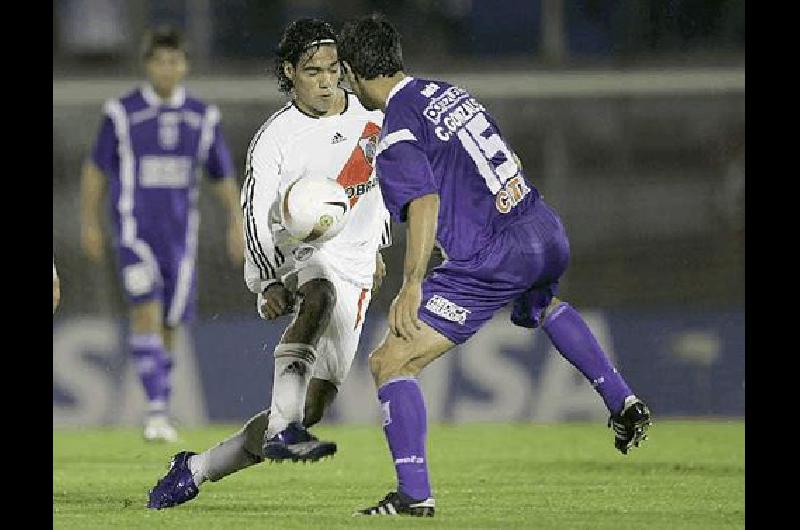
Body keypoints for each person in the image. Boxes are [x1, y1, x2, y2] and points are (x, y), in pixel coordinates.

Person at [338, 14, 652, 517]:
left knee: (390, 362)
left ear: (353, 73)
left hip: (491, 257)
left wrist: (412, 284)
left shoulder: (396, 131)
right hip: (542, 226)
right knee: (543, 305)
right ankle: (623, 400)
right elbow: (502, 157)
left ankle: (414, 496)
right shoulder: (450, 93)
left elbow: (423, 203)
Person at [147, 18, 391, 510]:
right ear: (289, 72)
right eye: (312, 71)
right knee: (318, 292)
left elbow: (391, 184)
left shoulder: (372, 116)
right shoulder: (277, 138)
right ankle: (282, 426)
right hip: (299, 251)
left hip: (359, 266)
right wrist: (265, 280)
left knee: (314, 407)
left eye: (332, 70)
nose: (326, 81)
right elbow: (255, 214)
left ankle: (197, 468)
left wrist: (380, 246)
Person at [80, 26, 244, 443]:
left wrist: (236, 222)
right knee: (146, 310)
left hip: (181, 241)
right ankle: (155, 412)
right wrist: (90, 222)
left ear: (184, 65)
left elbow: (222, 176)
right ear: (148, 65)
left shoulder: (202, 118)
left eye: (174, 60)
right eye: (159, 60)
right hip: (134, 234)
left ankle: (160, 406)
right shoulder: (122, 113)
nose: (167, 68)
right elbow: (96, 170)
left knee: (170, 323)